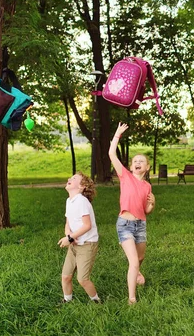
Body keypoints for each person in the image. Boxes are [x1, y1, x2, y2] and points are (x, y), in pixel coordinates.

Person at [109, 123, 156, 305]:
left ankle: (136, 271)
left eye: (141, 161)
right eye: (135, 161)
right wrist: (117, 135)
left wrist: (152, 205)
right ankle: (132, 298)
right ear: (131, 166)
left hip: (141, 224)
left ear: (147, 167)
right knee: (134, 262)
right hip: (125, 225)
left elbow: (145, 211)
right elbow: (112, 154)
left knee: (140, 258)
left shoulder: (147, 186)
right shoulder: (125, 176)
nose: (137, 163)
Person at [58, 172, 101, 304]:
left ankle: (96, 301)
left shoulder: (81, 201)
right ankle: (67, 300)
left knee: (82, 279)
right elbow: (68, 222)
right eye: (70, 177)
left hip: (87, 244)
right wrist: (68, 235)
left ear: (82, 186)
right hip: (75, 243)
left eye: (74, 178)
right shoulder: (69, 201)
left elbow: (87, 225)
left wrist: (70, 238)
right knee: (66, 276)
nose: (69, 179)